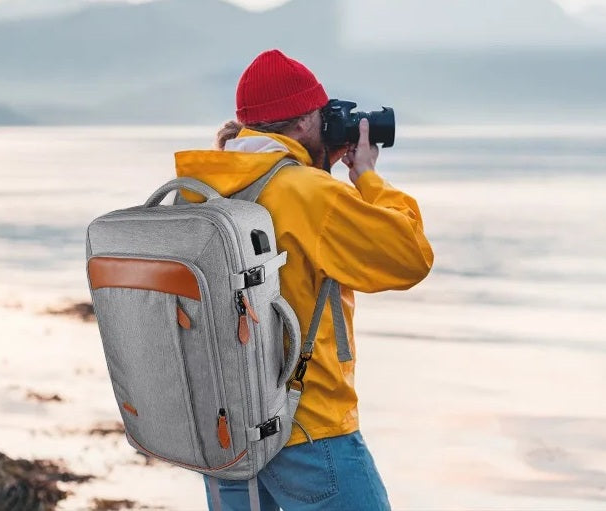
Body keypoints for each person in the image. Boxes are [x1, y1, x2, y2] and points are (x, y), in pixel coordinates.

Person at [174, 49, 434, 511]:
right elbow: (409, 256)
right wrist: (367, 177)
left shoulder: (203, 187)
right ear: (300, 124)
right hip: (308, 433)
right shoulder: (309, 193)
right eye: (323, 114)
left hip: (226, 438)